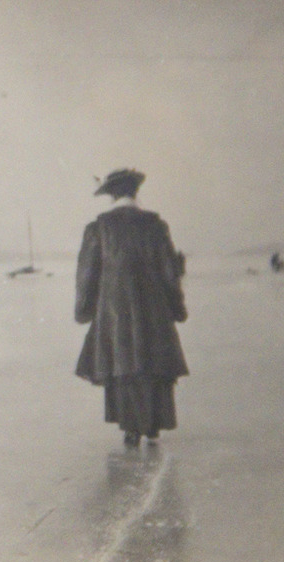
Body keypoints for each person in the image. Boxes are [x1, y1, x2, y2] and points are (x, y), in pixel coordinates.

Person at [75, 168, 188, 447]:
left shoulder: (99, 228)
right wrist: (177, 307)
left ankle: (131, 429)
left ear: (111, 196)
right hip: (154, 311)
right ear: (135, 193)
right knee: (153, 363)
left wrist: (84, 310)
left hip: (114, 311)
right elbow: (170, 273)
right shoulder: (155, 226)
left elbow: (87, 274)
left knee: (123, 365)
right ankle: (153, 427)